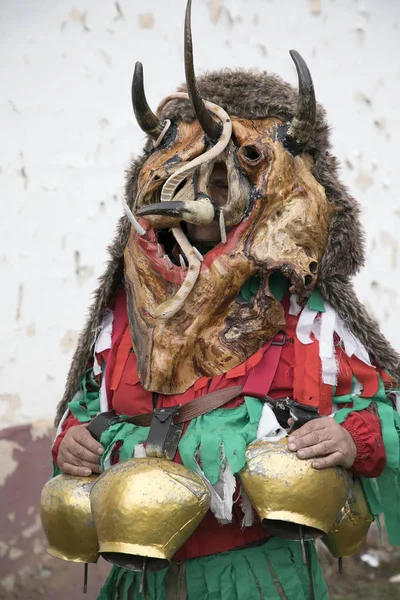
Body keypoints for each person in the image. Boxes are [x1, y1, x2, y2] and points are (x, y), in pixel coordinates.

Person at [50, 1, 400, 598]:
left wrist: (351, 438)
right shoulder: (125, 312)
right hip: (143, 583)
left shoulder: (307, 317)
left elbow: (382, 406)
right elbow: (88, 402)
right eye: (189, 175)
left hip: (260, 578)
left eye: (222, 178)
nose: (205, 195)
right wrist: (72, 439)